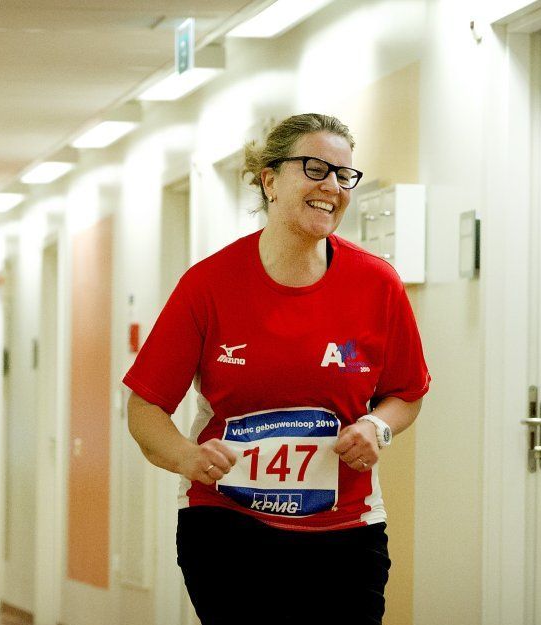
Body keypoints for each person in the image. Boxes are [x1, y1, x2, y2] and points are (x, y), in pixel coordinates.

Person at [123, 113, 430, 625]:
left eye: (343, 175)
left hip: (345, 529)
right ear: (269, 180)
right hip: (228, 525)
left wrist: (377, 427)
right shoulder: (208, 286)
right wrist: (185, 457)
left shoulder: (377, 284)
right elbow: (144, 407)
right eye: (315, 168)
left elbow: (407, 392)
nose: (332, 187)